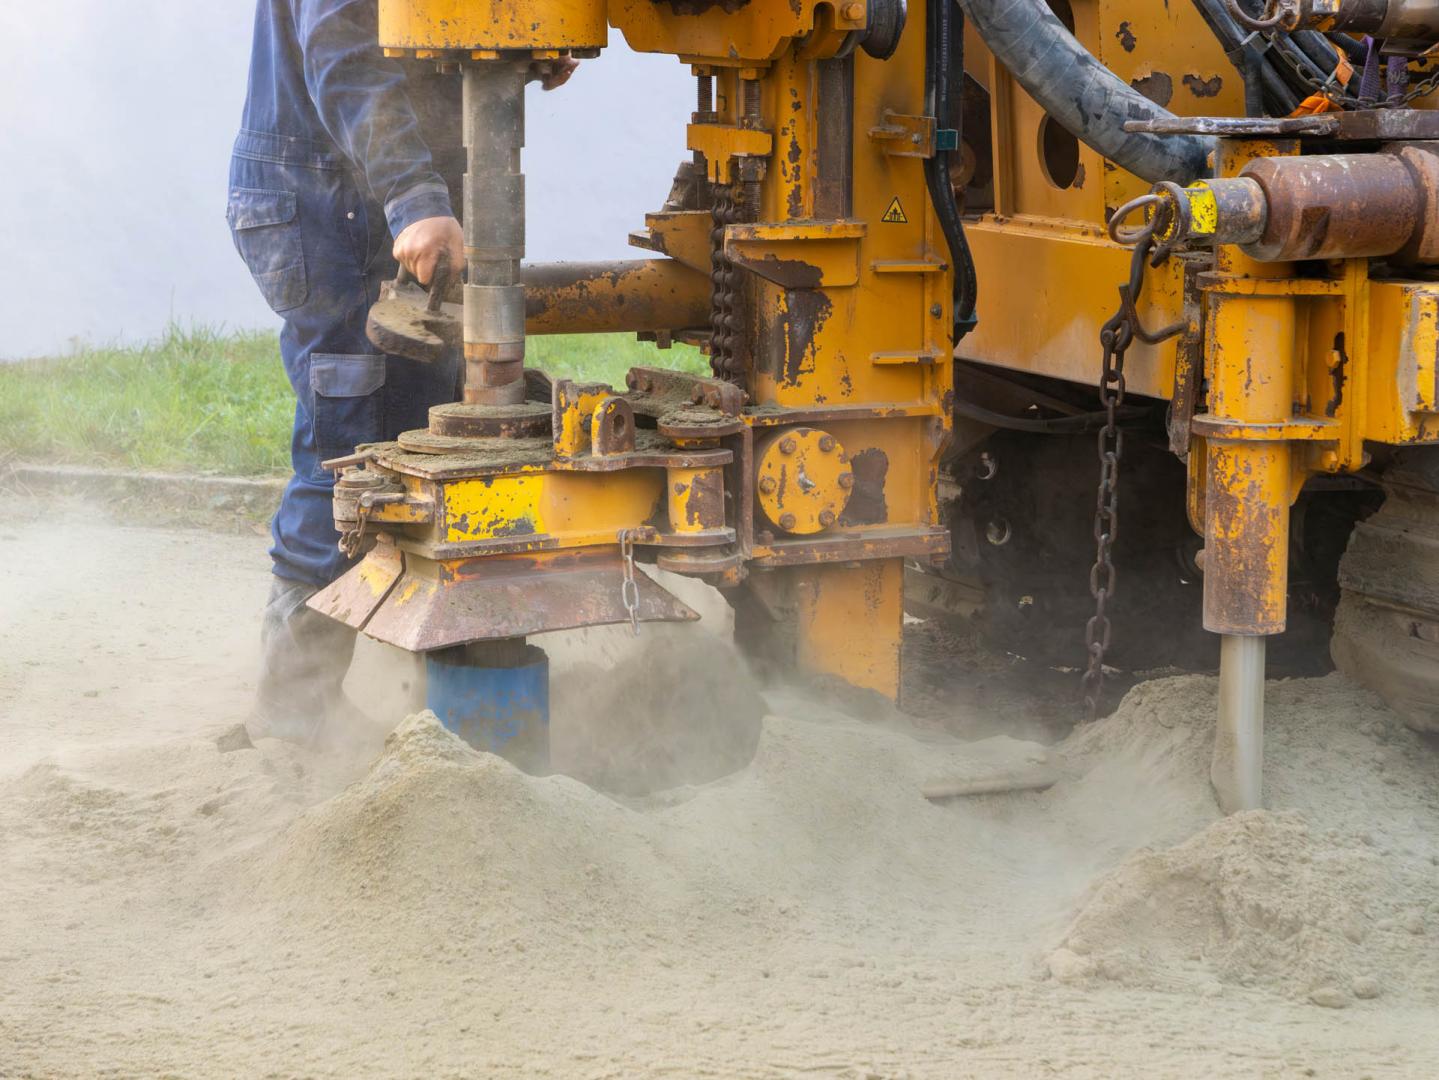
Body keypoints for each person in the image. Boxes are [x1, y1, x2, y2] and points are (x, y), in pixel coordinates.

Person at [227, 0, 573, 742]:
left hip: (386, 192)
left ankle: (443, 691)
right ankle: (293, 711)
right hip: (332, 204)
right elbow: (344, 45)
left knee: (430, 427)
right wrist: (413, 197)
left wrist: (520, 36)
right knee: (352, 448)